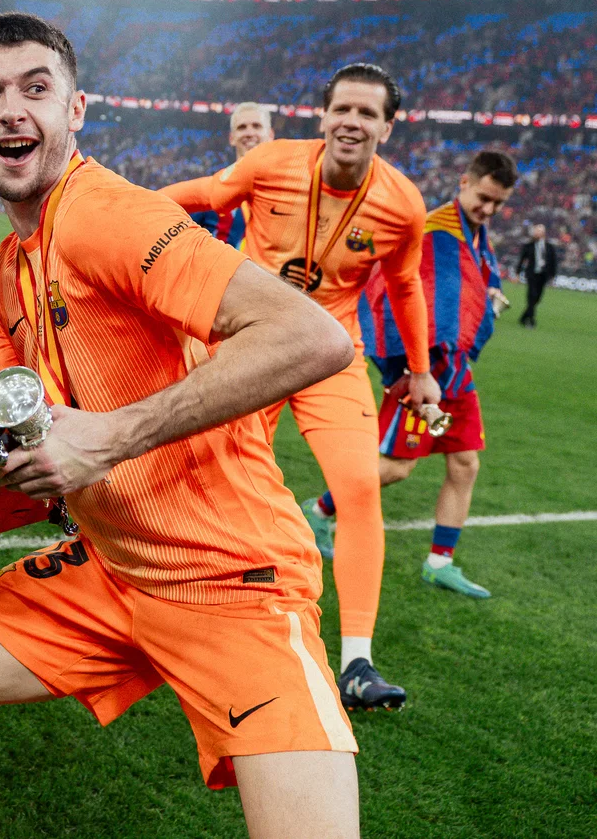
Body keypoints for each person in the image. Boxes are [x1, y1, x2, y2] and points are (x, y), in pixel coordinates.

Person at [0, 13, 360, 839]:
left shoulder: (104, 214)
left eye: (36, 88)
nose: (13, 109)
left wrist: (112, 436)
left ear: (75, 109)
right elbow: (8, 412)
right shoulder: (13, 257)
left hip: (230, 579)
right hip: (113, 571)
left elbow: (313, 336)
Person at [161, 62, 439, 712]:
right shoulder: (271, 163)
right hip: (254, 343)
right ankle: (200, 615)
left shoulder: (403, 205)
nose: (352, 121)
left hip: (332, 354)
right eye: (343, 108)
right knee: (214, 478)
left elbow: (404, 286)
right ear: (324, 115)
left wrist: (421, 369)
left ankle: (357, 663)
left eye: (368, 113)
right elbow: (191, 196)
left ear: (387, 128)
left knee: (360, 488)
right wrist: (129, 232)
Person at [336, 152, 516, 599]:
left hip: (456, 372)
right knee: (397, 467)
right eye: (484, 198)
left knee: (465, 462)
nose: (489, 209)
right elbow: (405, 297)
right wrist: (409, 369)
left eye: (498, 203)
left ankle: (440, 563)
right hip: (424, 373)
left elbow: (466, 298)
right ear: (464, 181)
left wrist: (485, 307)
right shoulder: (436, 231)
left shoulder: (476, 235)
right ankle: (317, 513)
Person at [191, 102, 274, 248]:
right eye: (242, 127)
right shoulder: (213, 189)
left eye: (257, 126)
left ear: (270, 135)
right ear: (232, 138)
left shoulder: (288, 190)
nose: (249, 133)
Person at [516, 223, 557, 327]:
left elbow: (553, 262)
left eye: (539, 231)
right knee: (531, 296)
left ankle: (523, 317)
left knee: (537, 299)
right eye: (535, 231)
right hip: (532, 275)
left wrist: (552, 277)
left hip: (543, 275)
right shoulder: (529, 245)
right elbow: (522, 260)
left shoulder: (549, 247)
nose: (536, 233)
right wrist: (518, 273)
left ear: (543, 233)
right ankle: (531, 320)